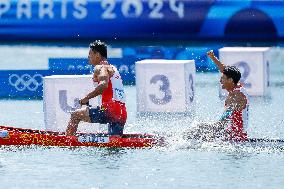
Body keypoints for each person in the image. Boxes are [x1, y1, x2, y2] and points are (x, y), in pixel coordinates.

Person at [184, 50, 249, 142]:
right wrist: (213, 58)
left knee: (198, 129)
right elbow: (224, 70)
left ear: (230, 80)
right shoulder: (236, 84)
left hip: (235, 139)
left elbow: (221, 125)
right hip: (231, 134)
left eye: (223, 78)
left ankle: (178, 141)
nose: (220, 81)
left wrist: (205, 130)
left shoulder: (236, 97)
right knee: (199, 129)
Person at [66, 40, 127, 136]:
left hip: (109, 110)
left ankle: (67, 142)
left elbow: (103, 85)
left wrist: (86, 98)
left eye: (90, 53)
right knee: (114, 145)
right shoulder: (113, 68)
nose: (88, 56)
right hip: (121, 113)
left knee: (75, 115)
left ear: (97, 54)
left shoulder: (100, 67)